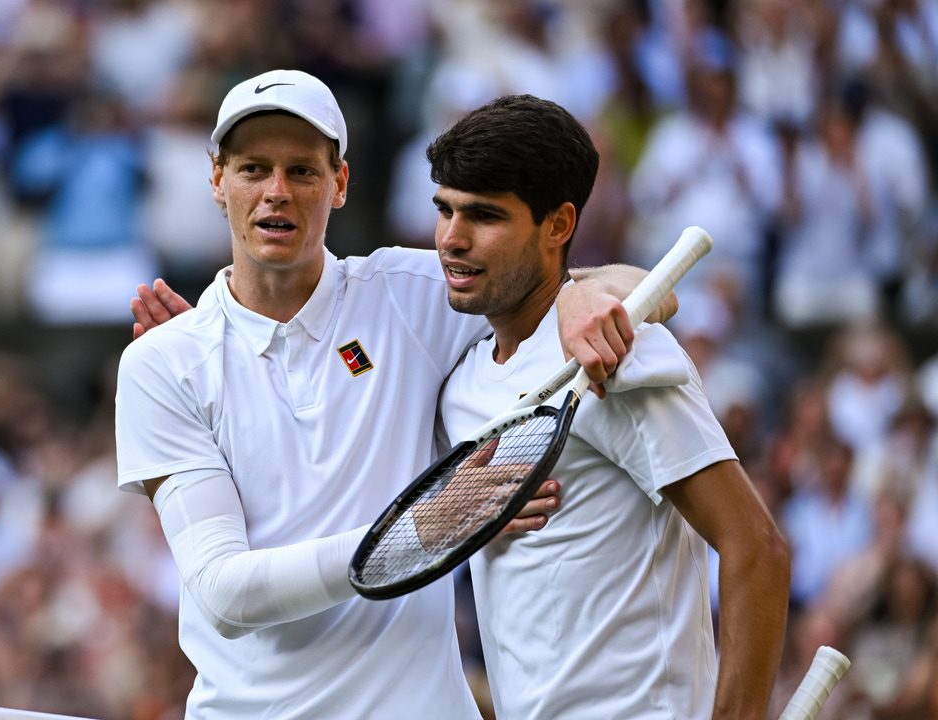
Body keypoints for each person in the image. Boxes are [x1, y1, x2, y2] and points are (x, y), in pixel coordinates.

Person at [115, 70, 667, 718]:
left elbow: (650, 288)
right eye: (253, 169)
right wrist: (416, 531)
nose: (276, 193)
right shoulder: (162, 363)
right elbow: (224, 594)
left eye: (302, 171)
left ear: (340, 182)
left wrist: (577, 295)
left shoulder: (409, 294)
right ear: (217, 179)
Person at [428, 94, 790, 719]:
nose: (453, 240)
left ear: (558, 226)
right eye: (444, 210)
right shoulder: (460, 382)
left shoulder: (622, 357)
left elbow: (756, 547)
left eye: (484, 216)